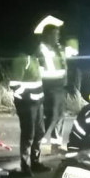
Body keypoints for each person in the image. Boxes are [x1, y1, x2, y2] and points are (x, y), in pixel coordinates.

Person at [9, 40, 47, 175]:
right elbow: (14, 84)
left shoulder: (35, 59)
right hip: (27, 104)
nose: (41, 49)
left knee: (40, 132)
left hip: (37, 103)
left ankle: (35, 162)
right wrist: (29, 96)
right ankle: (25, 166)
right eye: (39, 46)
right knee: (28, 135)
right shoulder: (22, 60)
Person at [35, 15, 68, 150]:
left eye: (58, 34)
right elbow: (39, 70)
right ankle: (37, 141)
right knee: (51, 116)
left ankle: (56, 143)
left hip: (60, 86)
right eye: (55, 34)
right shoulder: (42, 49)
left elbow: (63, 65)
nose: (58, 37)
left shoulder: (58, 48)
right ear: (48, 35)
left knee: (60, 115)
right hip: (49, 87)